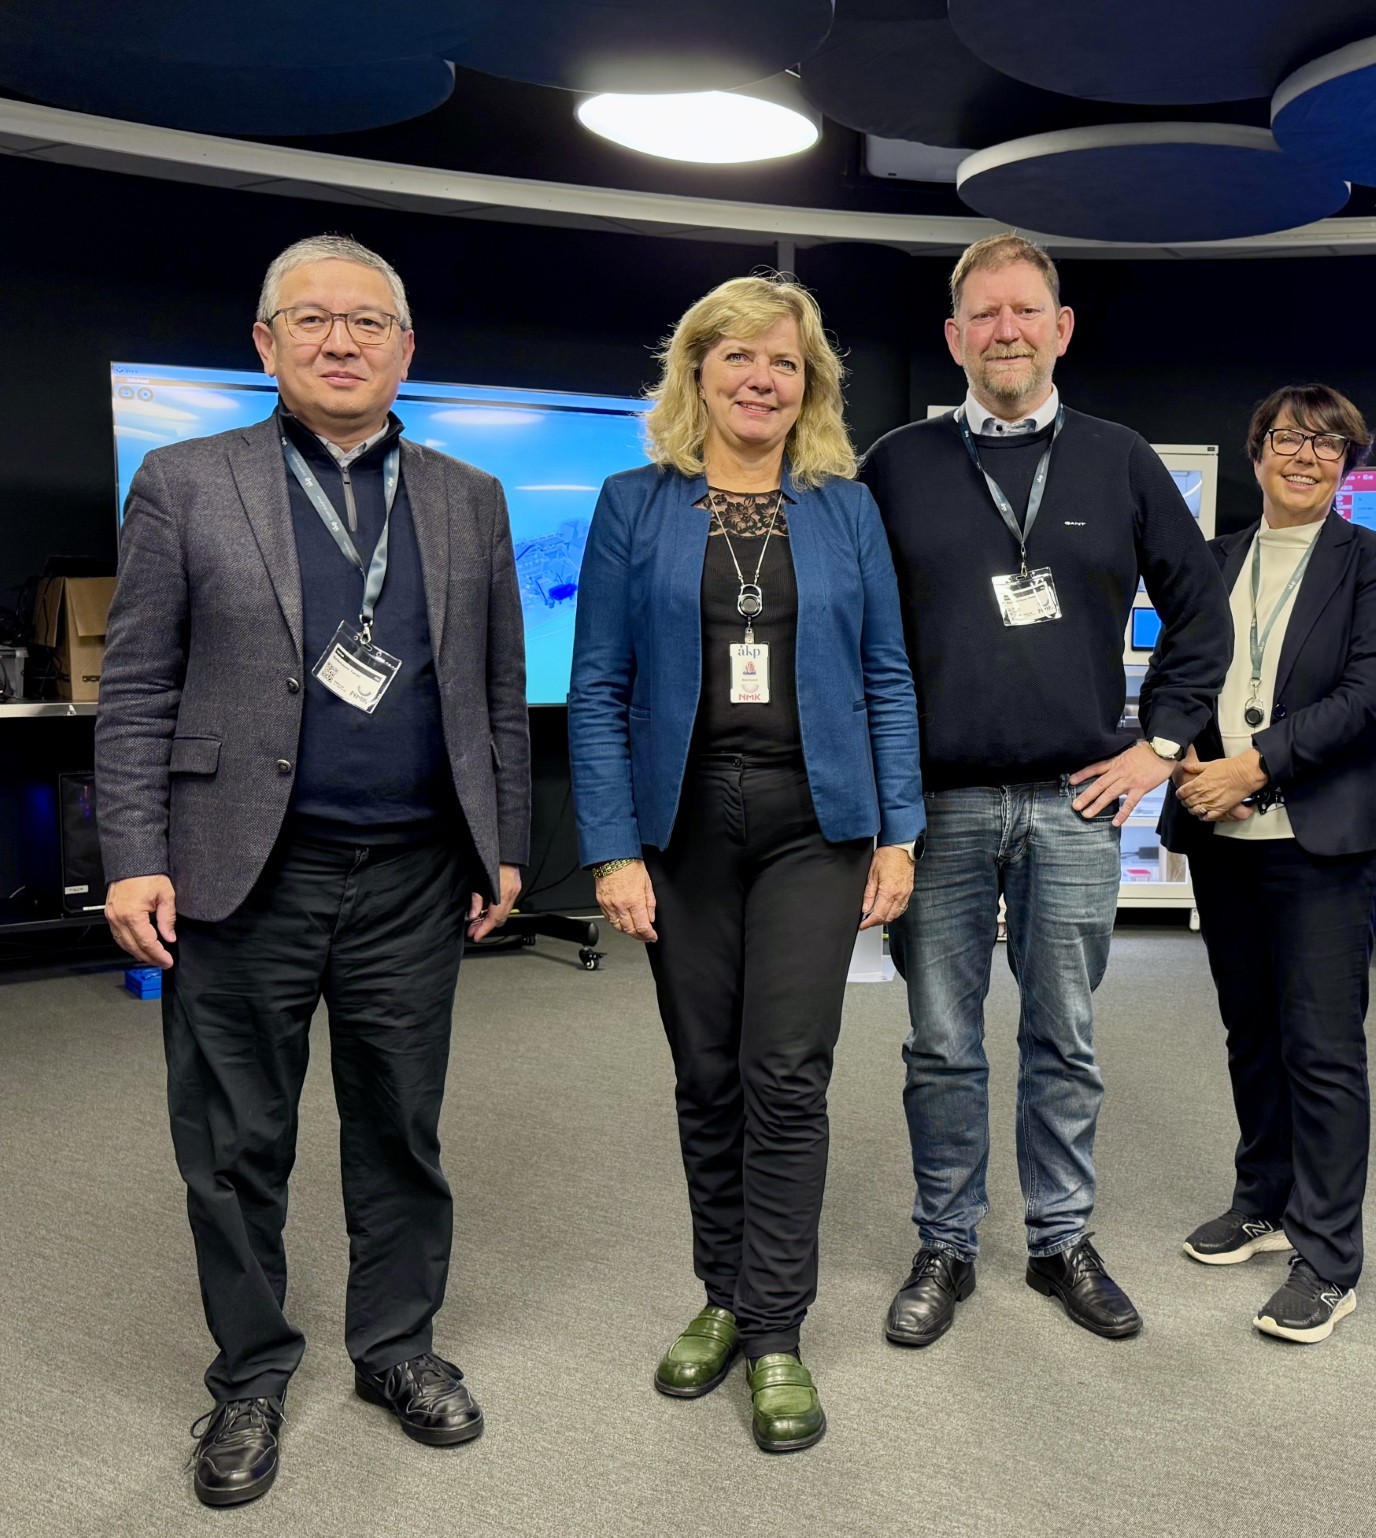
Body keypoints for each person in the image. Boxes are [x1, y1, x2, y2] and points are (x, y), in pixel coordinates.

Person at [94, 234, 530, 1506]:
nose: (342, 341)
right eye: (313, 320)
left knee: (402, 1128)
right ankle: (249, 1373)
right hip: (241, 871)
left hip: (410, 872)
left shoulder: (467, 495)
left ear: (407, 347)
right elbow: (134, 688)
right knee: (235, 1143)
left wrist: (502, 837)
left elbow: (499, 689)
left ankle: (395, 1346)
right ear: (265, 343)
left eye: (369, 322)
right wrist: (132, 855)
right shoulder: (183, 481)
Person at [568, 273, 921, 1453]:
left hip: (814, 822)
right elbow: (603, 685)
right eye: (736, 359)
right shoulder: (636, 502)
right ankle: (720, 1292)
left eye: (783, 361)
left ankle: (775, 1326)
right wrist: (611, 846)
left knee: (787, 1074)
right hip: (682, 831)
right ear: (698, 373)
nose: (760, 378)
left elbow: (885, 673)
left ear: (807, 380)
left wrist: (900, 827)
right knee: (706, 1075)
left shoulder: (844, 508)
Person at [861, 233, 1232, 1346]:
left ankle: (1060, 1237)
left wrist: (1159, 748)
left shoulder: (1119, 461)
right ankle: (946, 1240)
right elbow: (854, 631)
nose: (1006, 330)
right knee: (941, 1039)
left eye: (1027, 311)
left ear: (1061, 328)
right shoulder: (897, 464)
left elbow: (1200, 615)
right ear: (954, 336)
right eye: (985, 314)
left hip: (1079, 806)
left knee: (1064, 1036)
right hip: (940, 805)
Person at [1158, 385, 1376, 1344]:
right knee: (1251, 1033)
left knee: (1324, 1050)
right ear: (1256, 449)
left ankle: (1331, 1258)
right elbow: (1181, 671)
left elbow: (1370, 694)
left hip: (1323, 839)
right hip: (1222, 836)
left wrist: (1251, 768)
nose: (1304, 456)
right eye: (1286, 439)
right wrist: (1177, 746)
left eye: (1328, 444)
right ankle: (1263, 1200)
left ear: (1349, 461)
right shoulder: (1211, 557)